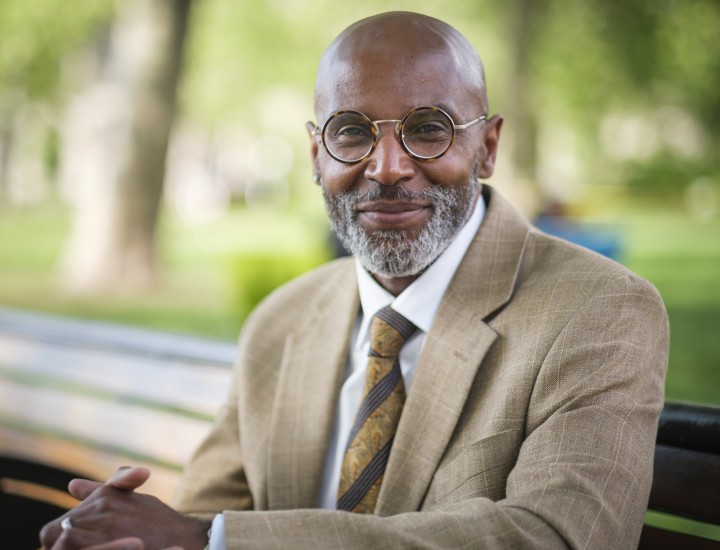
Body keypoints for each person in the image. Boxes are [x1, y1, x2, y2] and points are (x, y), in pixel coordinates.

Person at [41, 11, 669, 550]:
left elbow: (555, 537)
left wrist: (211, 541)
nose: (388, 167)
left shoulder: (601, 312)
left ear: (488, 147)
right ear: (317, 155)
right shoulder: (281, 323)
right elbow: (199, 516)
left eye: (428, 129)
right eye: (351, 132)